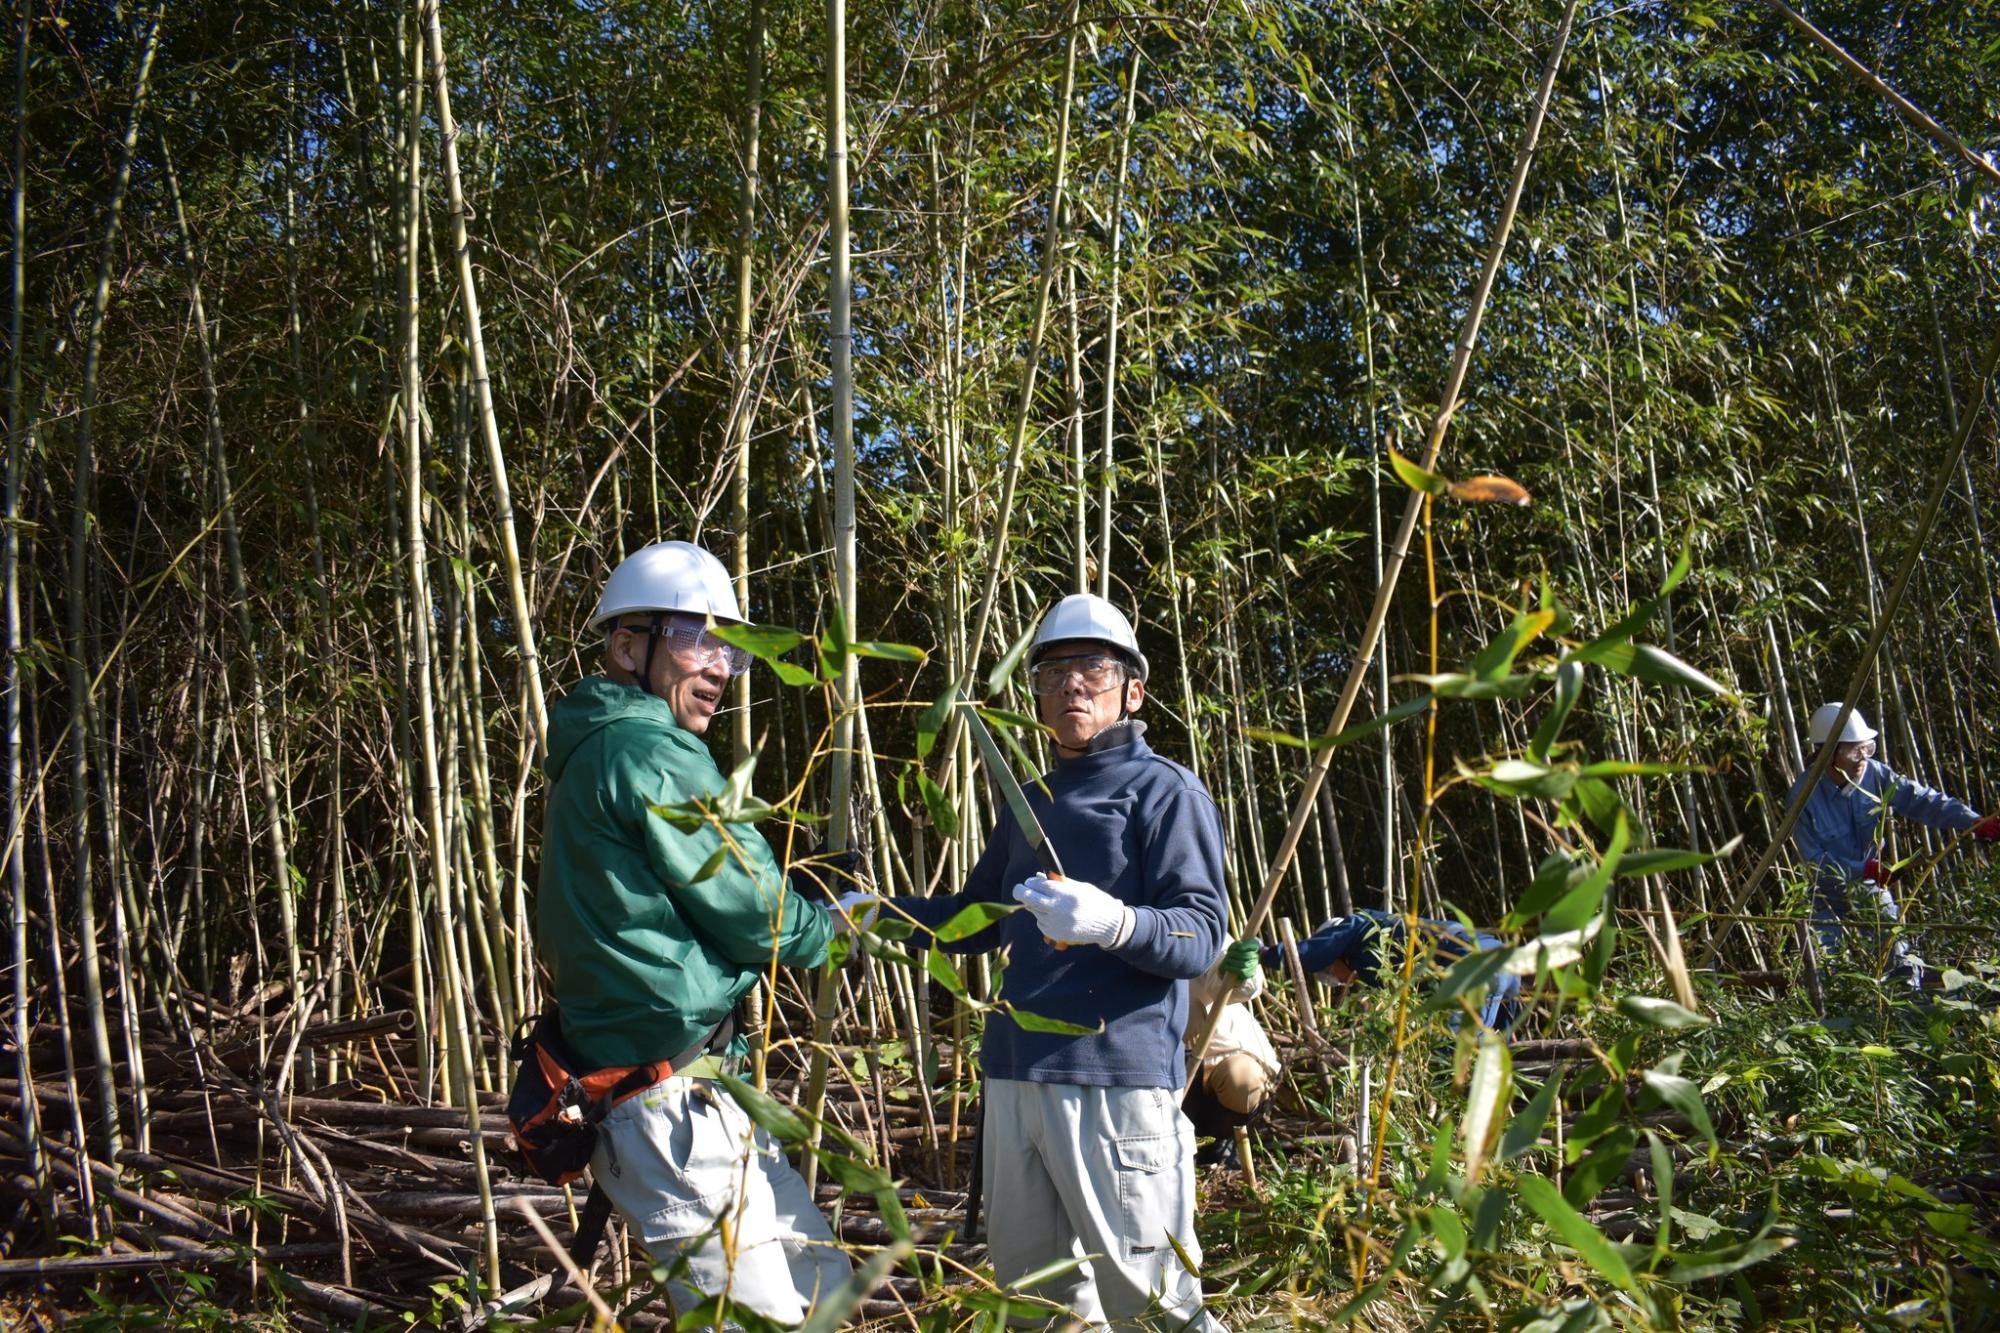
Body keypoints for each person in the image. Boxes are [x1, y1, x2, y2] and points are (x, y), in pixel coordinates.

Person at [847, 592, 1229, 1332]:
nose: (1072, 685)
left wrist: (1112, 922)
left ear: (1133, 688)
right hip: (1016, 1075)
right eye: (1053, 671)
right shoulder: (1032, 798)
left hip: (1113, 1081)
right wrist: (875, 913)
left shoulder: (1165, 792)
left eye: (1093, 666)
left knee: (1153, 1310)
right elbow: (976, 917)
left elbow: (1201, 933)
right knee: (1033, 1309)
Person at [537, 540, 850, 1323]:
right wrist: (830, 923)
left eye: (731, 651)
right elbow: (756, 916)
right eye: (698, 639)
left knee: (827, 1292)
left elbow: (689, 895)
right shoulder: (649, 749)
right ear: (627, 644)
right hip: (669, 1105)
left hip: (695, 1087)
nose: (718, 667)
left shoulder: (597, 747)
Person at [1787, 702, 2000, 987]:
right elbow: (1814, 861)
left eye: (1867, 748)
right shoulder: (1803, 796)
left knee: (1898, 956)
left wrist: (1974, 822)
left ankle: (1905, 1015)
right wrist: (1864, 869)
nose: (1862, 757)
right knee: (1826, 970)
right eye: (1853, 751)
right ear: (1826, 753)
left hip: (1870, 887)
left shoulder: (1876, 774)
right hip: (1823, 898)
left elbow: (1922, 800)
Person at [1263, 909, 1522, 1032]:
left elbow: (1308, 953)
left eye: (1334, 974)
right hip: (1501, 960)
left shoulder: (1357, 928)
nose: (1343, 981)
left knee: (1446, 1056)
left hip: (1468, 965)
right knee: (1481, 1048)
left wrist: (1265, 955)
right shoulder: (1379, 948)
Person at [1183, 939, 1281, 1168]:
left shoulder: (1183, 916)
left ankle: (1222, 1141)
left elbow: (1225, 979)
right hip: (1160, 1066)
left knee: (1243, 1080)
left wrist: (1235, 971)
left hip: (1224, 1053)